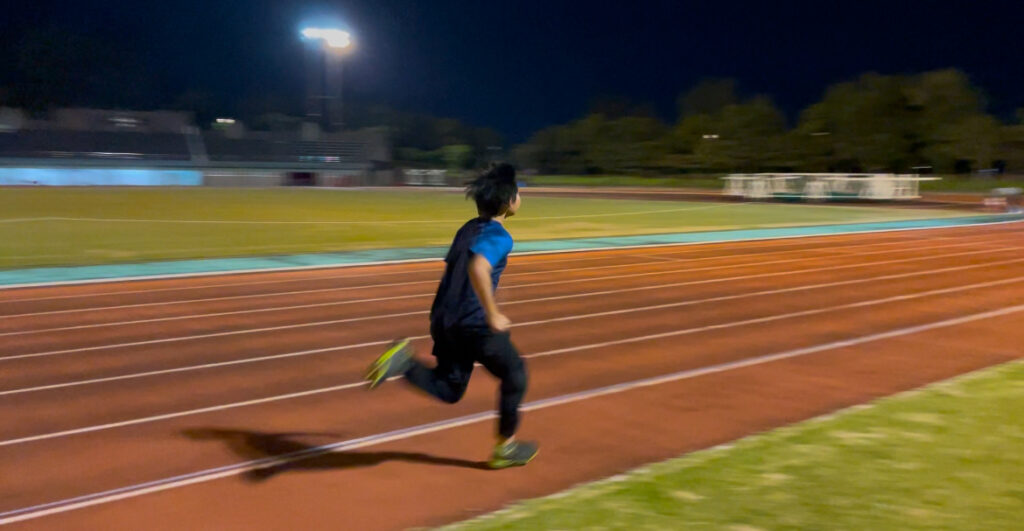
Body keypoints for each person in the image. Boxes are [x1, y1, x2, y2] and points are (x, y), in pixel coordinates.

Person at [366, 162, 538, 469]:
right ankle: (505, 448)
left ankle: (405, 363)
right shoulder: (499, 237)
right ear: (509, 201)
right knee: (516, 374)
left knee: (449, 389)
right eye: (518, 193)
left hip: (444, 320)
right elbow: (477, 267)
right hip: (474, 324)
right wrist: (493, 314)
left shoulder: (467, 228)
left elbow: (455, 269)